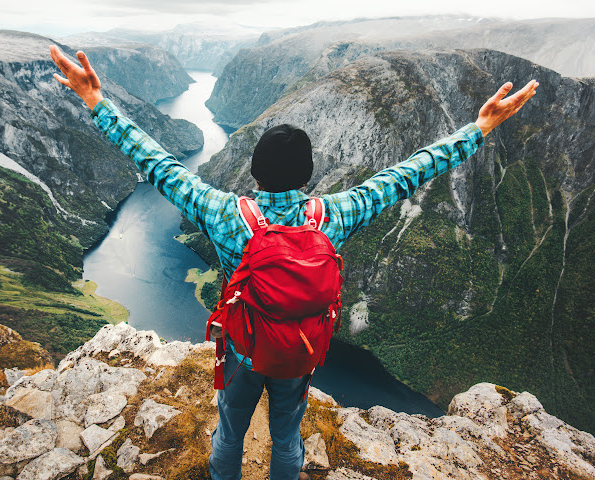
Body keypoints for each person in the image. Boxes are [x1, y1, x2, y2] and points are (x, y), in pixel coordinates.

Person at [49, 45, 538, 480]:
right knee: (285, 438)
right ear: (308, 175)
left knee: (230, 433)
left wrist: (96, 101)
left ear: (255, 172)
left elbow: (157, 162)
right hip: (299, 354)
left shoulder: (223, 213)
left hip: (243, 349)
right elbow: (404, 175)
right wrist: (480, 127)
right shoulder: (334, 215)